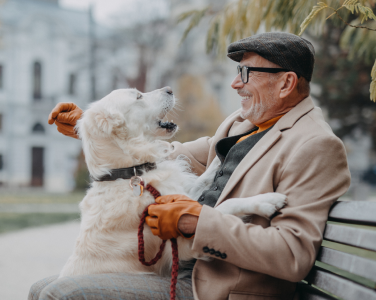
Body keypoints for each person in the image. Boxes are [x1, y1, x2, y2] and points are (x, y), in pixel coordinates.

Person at [29, 32, 351, 300]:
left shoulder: (315, 145)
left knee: (61, 294)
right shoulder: (242, 123)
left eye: (245, 73)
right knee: (41, 288)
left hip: (213, 286)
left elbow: (291, 255)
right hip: (181, 267)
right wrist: (95, 128)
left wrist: (197, 222)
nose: (234, 85)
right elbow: (169, 155)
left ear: (285, 83)